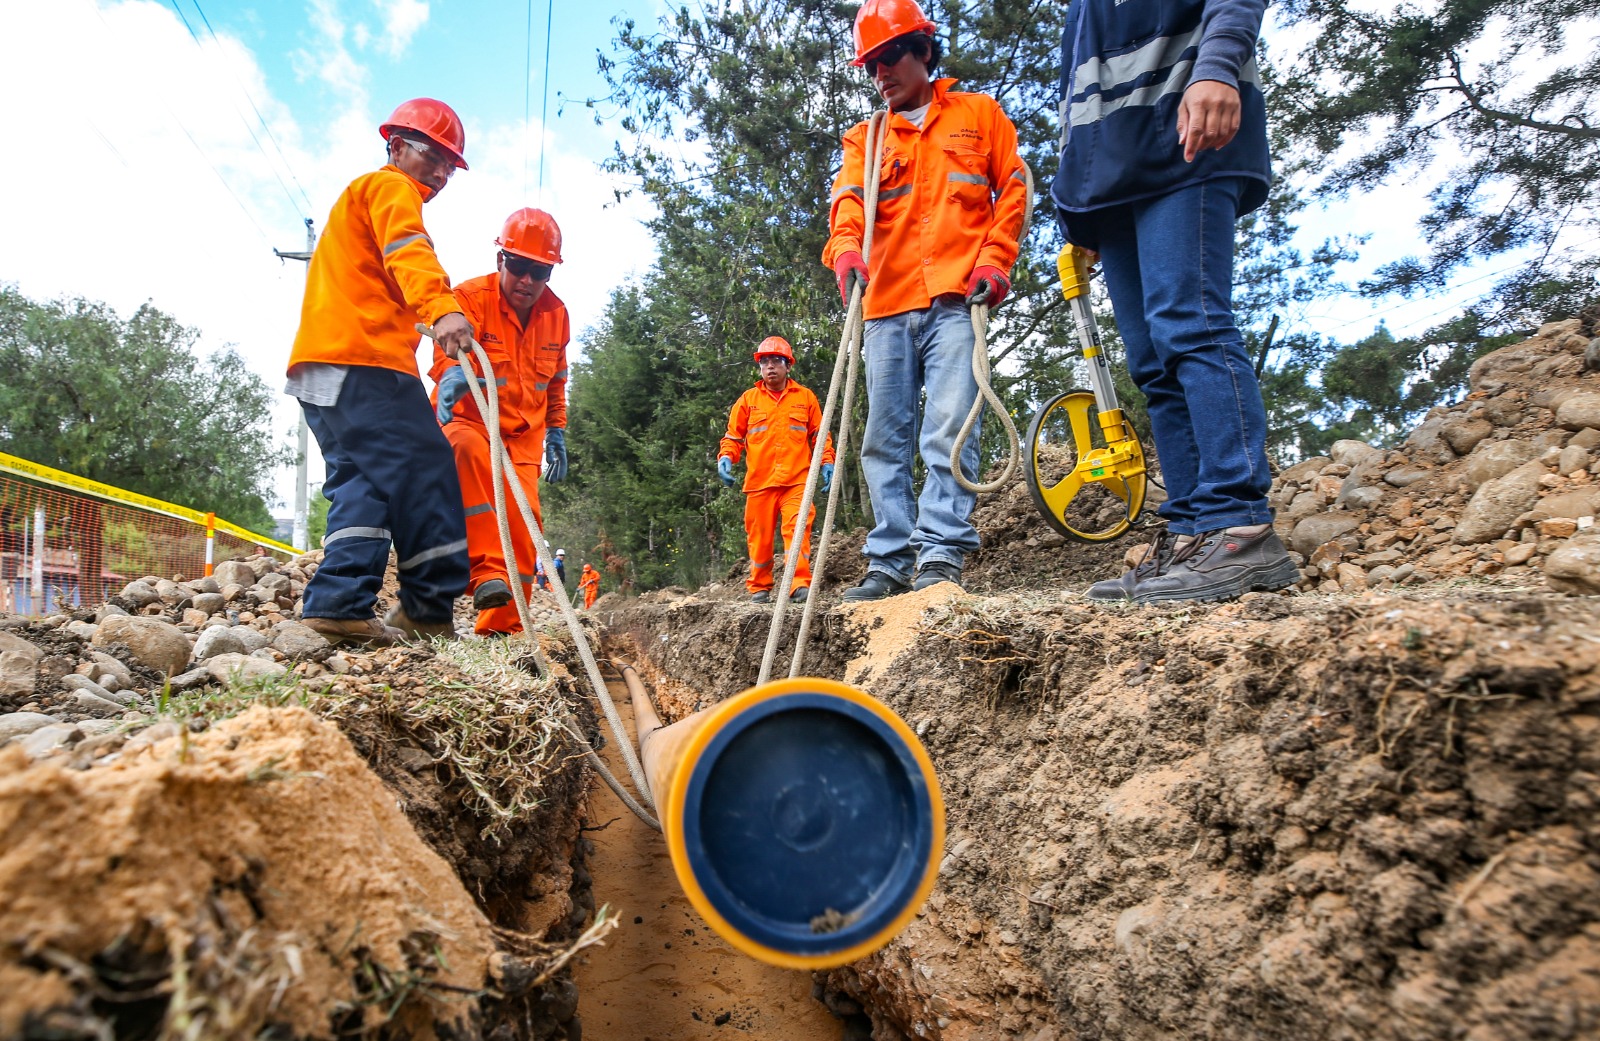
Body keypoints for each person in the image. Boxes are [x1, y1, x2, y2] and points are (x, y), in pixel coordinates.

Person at [1053, 0, 1298, 604]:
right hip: (1111, 179)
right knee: (1152, 362)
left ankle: (1238, 525)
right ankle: (1192, 531)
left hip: (1182, 140)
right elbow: (1079, 92)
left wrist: (1215, 67)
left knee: (1191, 326)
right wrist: (1076, 204)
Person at [823, 0, 1028, 602]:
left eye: (889, 57)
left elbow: (1012, 190)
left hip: (958, 301)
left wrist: (995, 261)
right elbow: (847, 205)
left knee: (948, 432)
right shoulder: (866, 137)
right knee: (883, 440)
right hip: (885, 304)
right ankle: (887, 562)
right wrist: (843, 252)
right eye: (870, 65)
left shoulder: (979, 115)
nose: (880, 73)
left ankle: (940, 556)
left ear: (923, 51)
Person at [286, 97, 474, 646]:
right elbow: (409, 251)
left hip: (321, 368)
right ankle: (428, 609)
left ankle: (338, 602)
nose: (439, 173)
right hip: (363, 362)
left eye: (448, 164)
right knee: (428, 466)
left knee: (364, 481)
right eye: (431, 156)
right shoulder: (390, 188)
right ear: (395, 147)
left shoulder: (361, 198)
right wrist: (442, 309)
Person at [430, 207, 570, 635]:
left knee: (526, 524)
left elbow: (557, 379)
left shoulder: (557, 314)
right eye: (519, 266)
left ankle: (501, 631)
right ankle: (487, 572)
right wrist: (449, 372)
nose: (528, 280)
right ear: (500, 260)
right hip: (470, 421)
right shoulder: (470, 298)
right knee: (466, 451)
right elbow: (443, 349)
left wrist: (558, 429)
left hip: (524, 437)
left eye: (540, 271)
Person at [718, 336, 836, 604]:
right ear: (760, 367)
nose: (770, 366)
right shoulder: (748, 400)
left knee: (797, 530)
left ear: (787, 365)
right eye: (765, 361)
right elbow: (733, 437)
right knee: (759, 539)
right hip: (760, 483)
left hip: (797, 482)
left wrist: (827, 462)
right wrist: (726, 457)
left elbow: (820, 435)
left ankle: (799, 584)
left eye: (776, 360)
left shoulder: (805, 398)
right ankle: (760, 587)